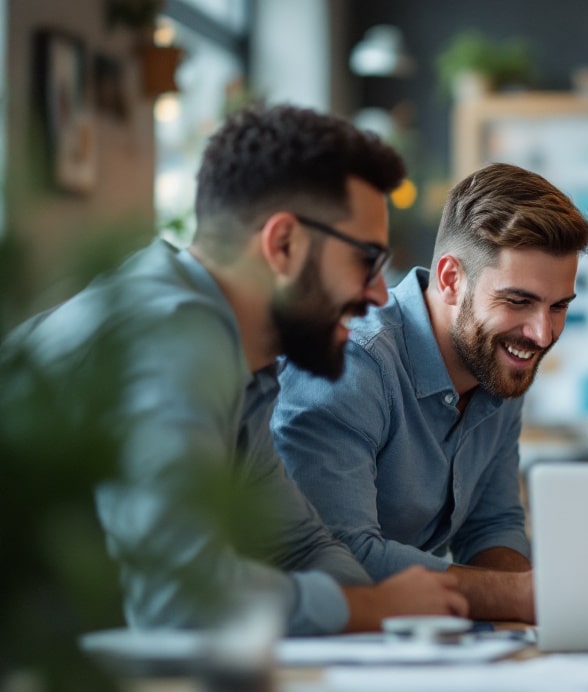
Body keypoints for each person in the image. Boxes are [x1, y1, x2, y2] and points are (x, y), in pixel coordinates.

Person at [1, 104, 467, 634]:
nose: (380, 293)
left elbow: (297, 545)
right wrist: (372, 608)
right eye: (366, 261)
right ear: (283, 243)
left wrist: (377, 606)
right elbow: (177, 594)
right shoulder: (172, 337)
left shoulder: (245, 361)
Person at [273, 163, 588, 622]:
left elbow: (492, 526)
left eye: (558, 306)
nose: (542, 333)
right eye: (518, 301)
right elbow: (338, 556)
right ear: (450, 280)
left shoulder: (501, 361)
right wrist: (520, 598)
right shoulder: (352, 363)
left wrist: (535, 606)